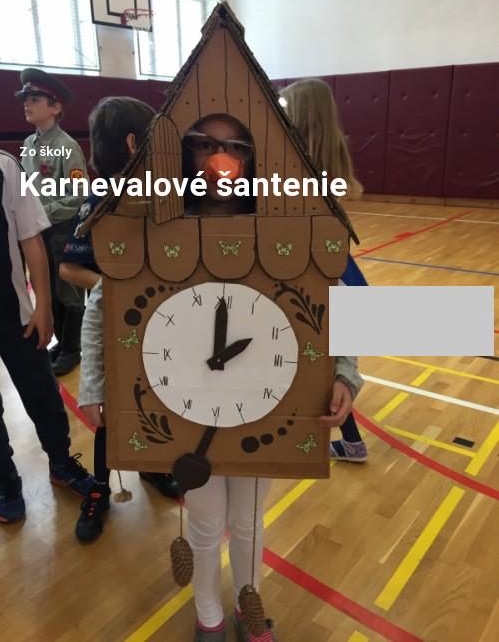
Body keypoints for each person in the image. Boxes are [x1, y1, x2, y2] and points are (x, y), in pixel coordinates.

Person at [179, 113, 362, 642]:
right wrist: (98, 382)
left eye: (236, 147)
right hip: (187, 402)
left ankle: (248, 602)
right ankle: (208, 611)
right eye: (205, 145)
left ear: (254, 157)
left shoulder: (288, 224)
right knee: (205, 520)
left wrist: (345, 371)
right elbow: (106, 300)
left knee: (249, 519)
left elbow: (337, 300)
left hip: (264, 399)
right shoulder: (159, 220)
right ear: (185, 150)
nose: (221, 161)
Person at [60, 97, 182, 543]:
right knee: (110, 416)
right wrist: (117, 287)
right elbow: (69, 269)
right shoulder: (100, 205)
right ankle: (100, 486)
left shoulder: (166, 202)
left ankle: (152, 465)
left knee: (155, 402)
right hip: (117, 332)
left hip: (163, 332)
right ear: (134, 144)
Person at [0, 150, 95, 523]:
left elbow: (31, 240)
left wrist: (43, 306)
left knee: (43, 396)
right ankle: (6, 482)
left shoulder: (5, 166)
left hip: (16, 315)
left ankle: (61, 463)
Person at [280, 78, 368, 463]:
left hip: (323, 281)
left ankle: (350, 441)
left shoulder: (302, 181)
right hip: (331, 279)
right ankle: (352, 442)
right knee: (327, 361)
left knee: (324, 361)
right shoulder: (319, 172)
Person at [15, 68, 87, 376]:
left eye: (34, 99)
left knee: (67, 290)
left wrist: (43, 212)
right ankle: (62, 342)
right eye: (25, 99)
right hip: (38, 232)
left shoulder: (68, 147)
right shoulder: (29, 143)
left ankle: (72, 349)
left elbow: (79, 194)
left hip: (61, 230)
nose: (26, 104)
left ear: (55, 107)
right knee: (48, 288)